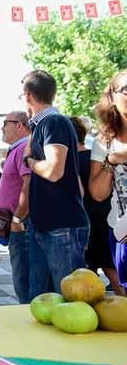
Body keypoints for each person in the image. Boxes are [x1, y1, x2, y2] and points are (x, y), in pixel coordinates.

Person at [21, 70, 89, 299]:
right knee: (42, 299)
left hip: (61, 225)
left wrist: (29, 161)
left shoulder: (54, 122)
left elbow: (53, 171)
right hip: (47, 224)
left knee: (72, 299)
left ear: (28, 95)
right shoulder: (43, 124)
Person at [70, 116, 122, 295]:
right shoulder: (94, 154)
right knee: (112, 268)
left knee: (92, 273)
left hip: (89, 219)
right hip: (107, 215)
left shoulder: (71, 162)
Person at [89, 69, 127, 296]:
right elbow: (98, 193)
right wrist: (112, 160)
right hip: (123, 233)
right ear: (112, 96)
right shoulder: (105, 141)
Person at [0, 111, 32, 303]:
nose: (2, 128)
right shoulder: (17, 148)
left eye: (5, 123)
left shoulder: (23, 148)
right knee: (21, 278)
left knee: (23, 279)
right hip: (15, 223)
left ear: (19, 125)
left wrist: (18, 218)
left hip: (21, 224)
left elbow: (28, 184)